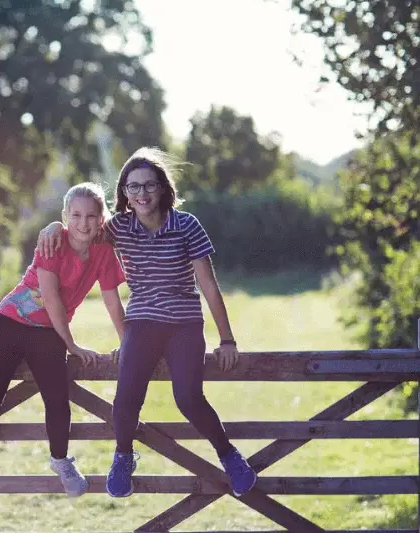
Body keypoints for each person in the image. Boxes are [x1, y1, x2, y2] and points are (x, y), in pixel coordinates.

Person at [37, 148, 258, 498]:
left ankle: (229, 455)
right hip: (140, 323)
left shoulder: (187, 225)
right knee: (126, 398)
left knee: (187, 397)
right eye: (133, 187)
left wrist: (227, 339)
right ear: (124, 193)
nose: (141, 194)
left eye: (149, 186)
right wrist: (52, 225)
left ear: (163, 188)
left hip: (184, 323)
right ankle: (123, 455)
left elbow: (209, 286)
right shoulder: (118, 227)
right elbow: (80, 228)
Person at [0, 182, 126, 497]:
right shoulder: (53, 241)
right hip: (10, 323)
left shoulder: (104, 251)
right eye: (75, 214)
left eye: (91, 215)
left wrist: (126, 341)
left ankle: (61, 461)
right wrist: (73, 345)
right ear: (65, 216)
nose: (83, 222)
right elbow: (50, 297)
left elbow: (112, 301)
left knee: (56, 397)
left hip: (48, 332)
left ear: (102, 219)